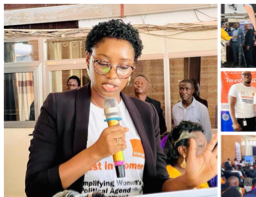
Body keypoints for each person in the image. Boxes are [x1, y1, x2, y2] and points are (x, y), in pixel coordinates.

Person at [25, 19, 218, 197]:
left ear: (132, 68)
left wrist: (187, 182)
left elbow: (157, 184)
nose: (112, 75)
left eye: (123, 66)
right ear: (88, 60)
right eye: (103, 63)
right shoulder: (60, 107)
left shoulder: (145, 112)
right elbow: (35, 187)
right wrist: (94, 153)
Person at [163, 121, 209, 189]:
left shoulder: (198, 176)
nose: (207, 152)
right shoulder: (167, 178)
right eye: (201, 146)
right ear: (183, 150)